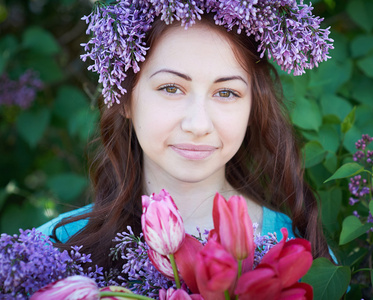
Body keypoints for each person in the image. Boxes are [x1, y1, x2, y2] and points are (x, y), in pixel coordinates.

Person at [38, 0, 334, 272]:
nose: (198, 124)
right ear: (126, 99)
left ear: (252, 107)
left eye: (226, 93)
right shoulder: (52, 250)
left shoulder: (300, 256)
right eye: (171, 88)